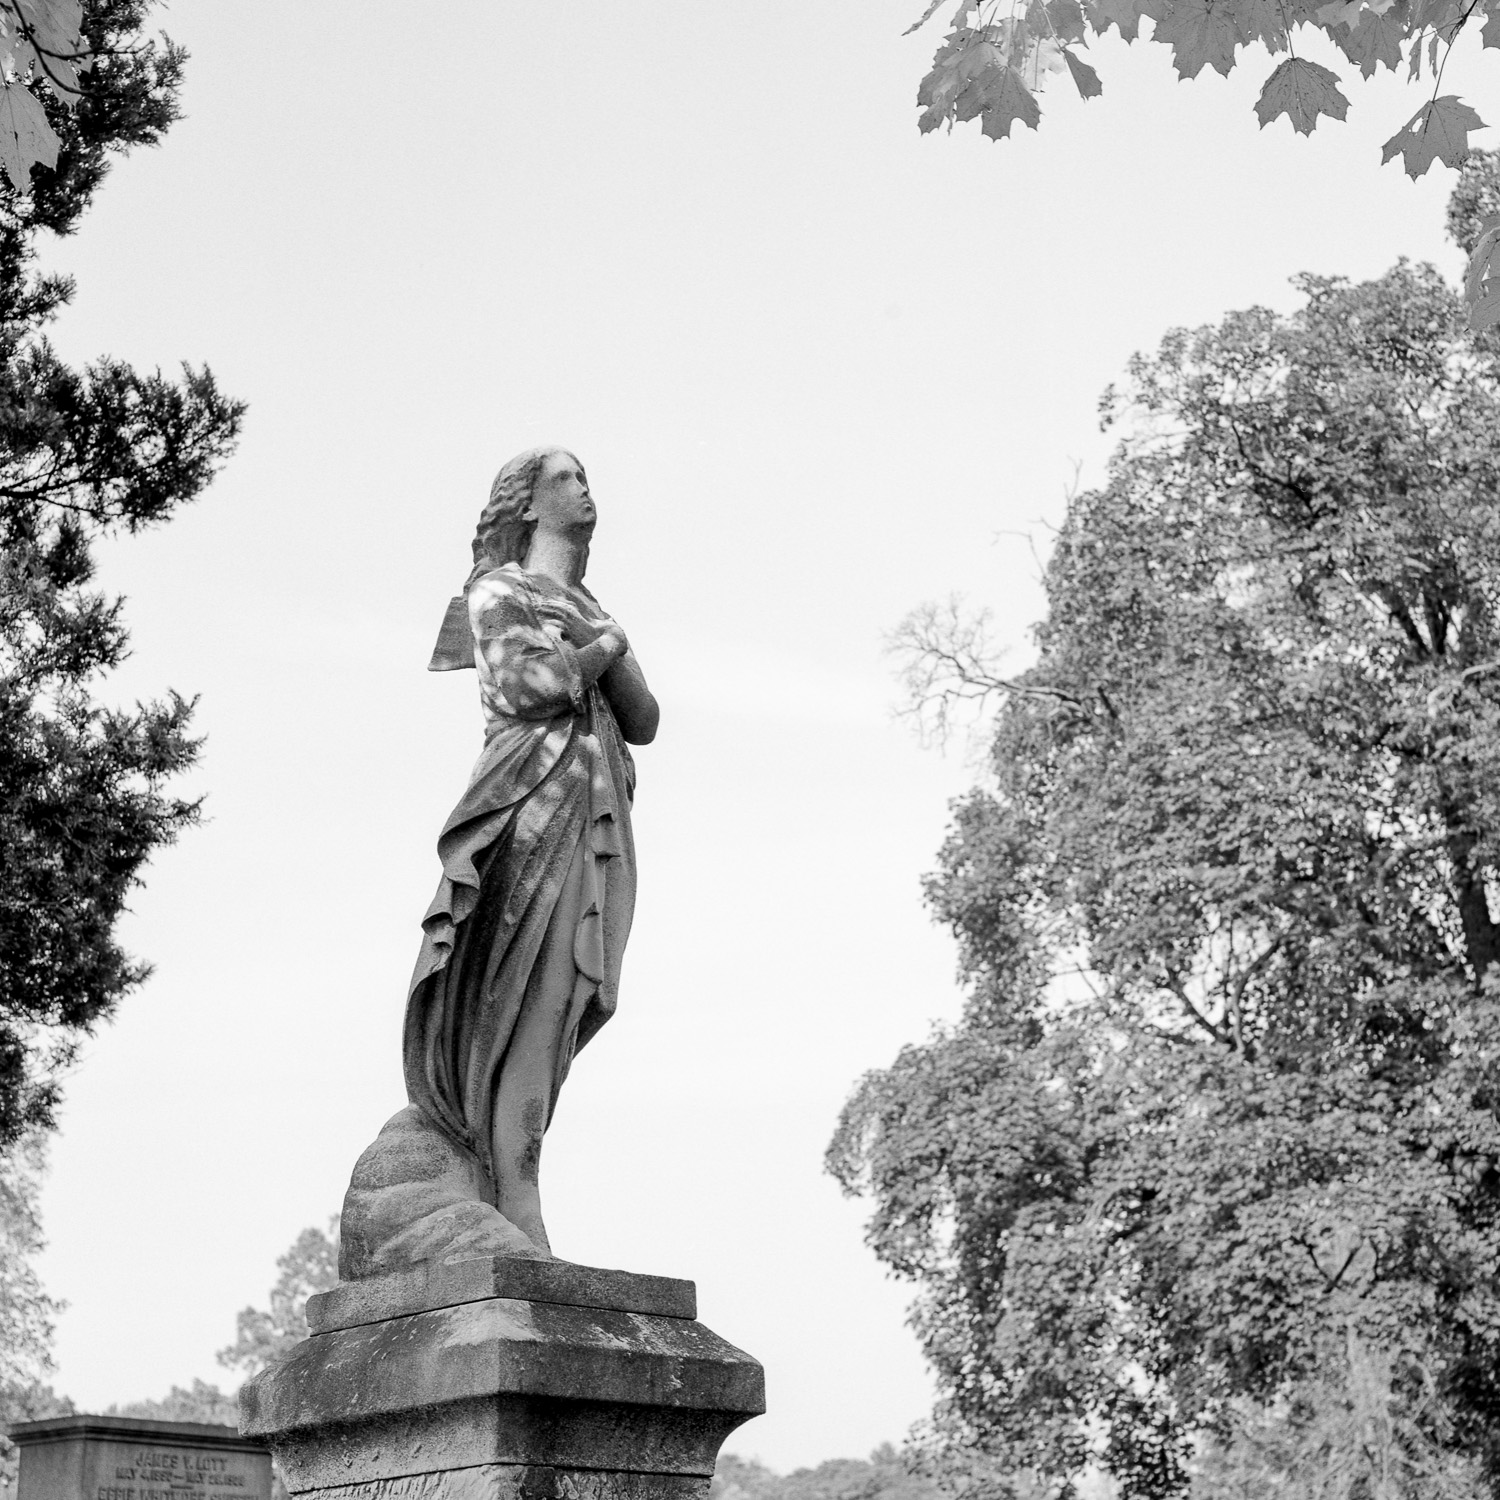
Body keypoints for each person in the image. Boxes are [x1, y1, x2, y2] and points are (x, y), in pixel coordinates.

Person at [401, 446, 658, 1257]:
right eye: (567, 479)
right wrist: (603, 648)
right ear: (527, 504)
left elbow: (645, 717)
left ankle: (513, 1183)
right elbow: (527, 689)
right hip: (529, 812)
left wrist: (596, 638)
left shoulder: (583, 602)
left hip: (596, 813)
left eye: (587, 478)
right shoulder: (499, 591)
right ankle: (514, 1199)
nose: (587, 489)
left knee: (575, 1001)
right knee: (531, 999)